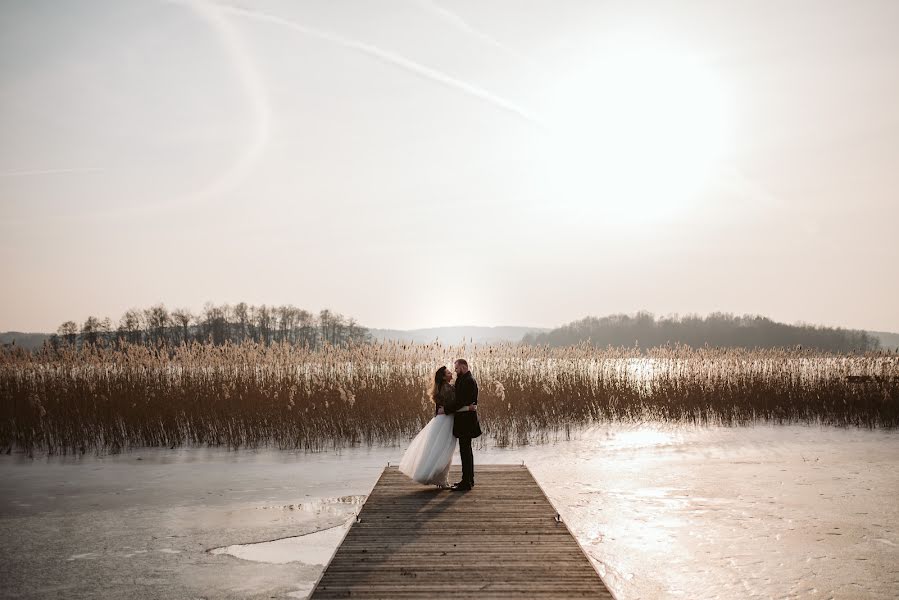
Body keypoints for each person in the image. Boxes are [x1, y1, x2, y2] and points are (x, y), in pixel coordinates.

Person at [398, 366, 476, 487]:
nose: (452, 373)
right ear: (444, 377)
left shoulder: (444, 387)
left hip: (443, 420)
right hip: (446, 421)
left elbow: (449, 406)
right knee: (444, 450)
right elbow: (454, 406)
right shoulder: (446, 388)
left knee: (440, 449)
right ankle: (439, 479)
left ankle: (439, 479)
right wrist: (468, 407)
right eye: (449, 372)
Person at [443, 358, 481, 491]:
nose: (455, 370)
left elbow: (461, 401)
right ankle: (468, 480)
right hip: (463, 421)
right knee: (465, 451)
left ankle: (467, 482)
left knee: (466, 452)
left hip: (467, 423)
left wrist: (445, 410)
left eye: (457, 368)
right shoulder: (463, 379)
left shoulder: (469, 381)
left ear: (464, 367)